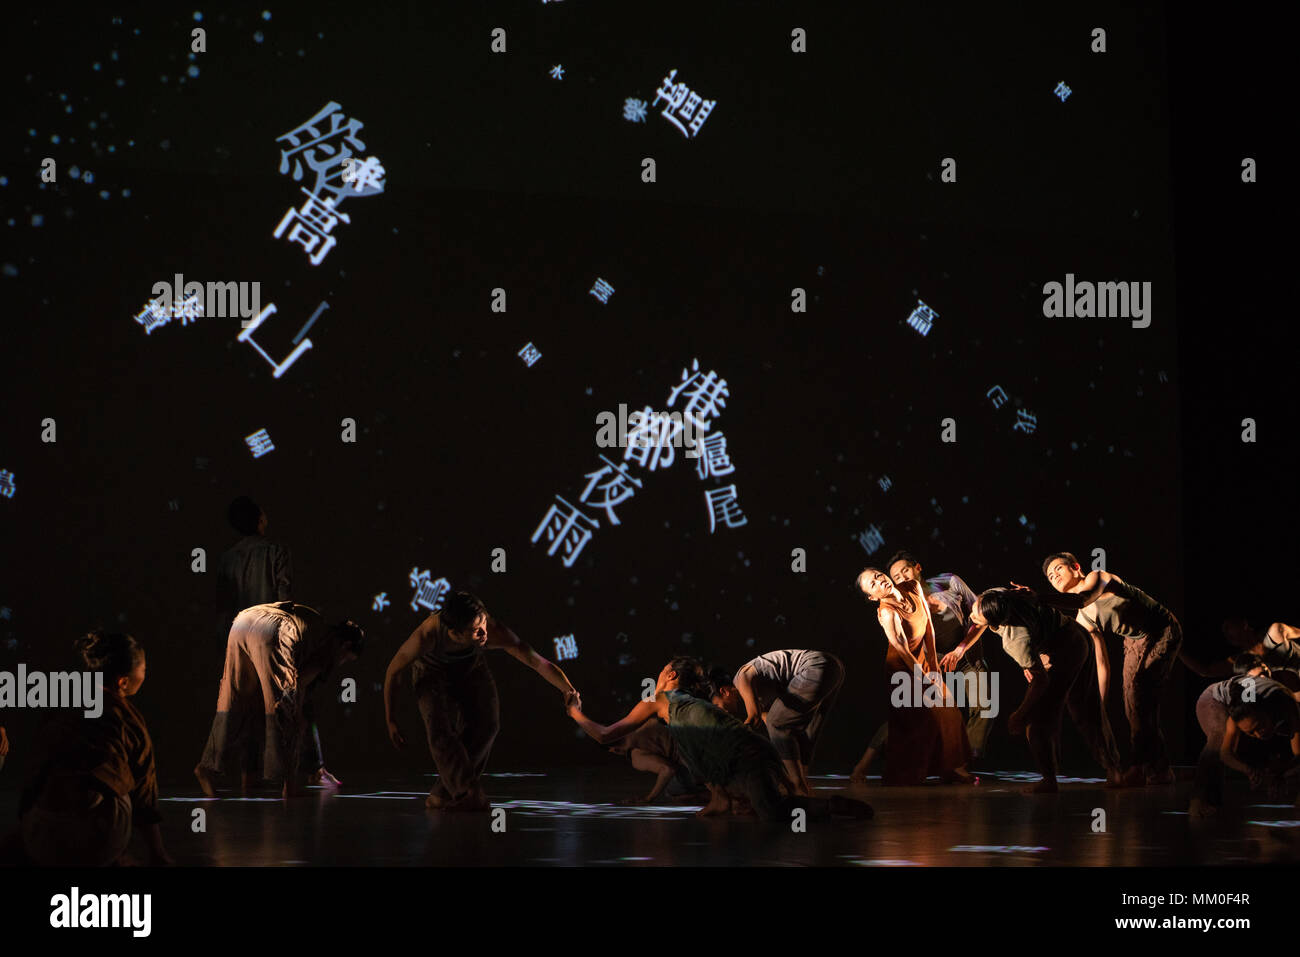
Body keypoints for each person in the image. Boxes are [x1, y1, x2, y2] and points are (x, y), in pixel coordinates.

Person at [566, 657, 872, 821]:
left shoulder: (660, 699)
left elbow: (606, 734)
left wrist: (577, 714)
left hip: (748, 756)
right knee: (753, 806)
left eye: (662, 671)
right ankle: (728, 799)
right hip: (749, 756)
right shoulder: (689, 711)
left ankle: (830, 806)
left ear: (672, 676)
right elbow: (701, 751)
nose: (658, 676)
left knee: (774, 813)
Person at [384, 591, 580, 811]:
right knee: (440, 732)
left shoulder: (492, 631)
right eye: (476, 630)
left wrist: (568, 688)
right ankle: (467, 792)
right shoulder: (427, 636)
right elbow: (393, 671)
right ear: (455, 633)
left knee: (487, 724)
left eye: (484, 622)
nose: (484, 632)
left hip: (470, 667)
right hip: (431, 672)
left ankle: (444, 793)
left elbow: (535, 660)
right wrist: (391, 719)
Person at [15, 632, 170, 866]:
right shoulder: (127, 717)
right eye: (144, 670)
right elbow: (144, 792)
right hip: (101, 839)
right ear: (123, 682)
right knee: (121, 779)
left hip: (41, 835)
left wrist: (24, 832)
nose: (145, 675)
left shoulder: (62, 707)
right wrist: (158, 854)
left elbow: (34, 770)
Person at [215, 497, 337, 789]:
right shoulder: (276, 551)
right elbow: (285, 598)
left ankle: (249, 775)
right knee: (291, 704)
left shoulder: (227, 559)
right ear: (259, 519)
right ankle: (305, 773)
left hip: (239, 637)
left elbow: (223, 607)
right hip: (271, 637)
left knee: (248, 710)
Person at [1038, 556, 1183, 786]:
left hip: (1161, 629)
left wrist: (1037, 598)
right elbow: (1101, 661)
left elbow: (1082, 599)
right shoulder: (1083, 618)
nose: (1054, 576)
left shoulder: (1098, 577)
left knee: (1139, 696)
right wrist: (1102, 701)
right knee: (1132, 704)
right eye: (1050, 577)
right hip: (1134, 641)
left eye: (1058, 569)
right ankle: (1160, 769)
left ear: (1076, 568)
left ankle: (1139, 768)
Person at [195, 602, 364, 799]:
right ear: (345, 645)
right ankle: (289, 785)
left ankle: (206, 768)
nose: (341, 662)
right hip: (273, 628)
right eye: (346, 658)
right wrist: (298, 715)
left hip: (242, 621)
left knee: (233, 700)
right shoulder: (330, 646)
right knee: (284, 707)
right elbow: (299, 685)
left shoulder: (316, 624)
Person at [971, 587, 1123, 792]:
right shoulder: (998, 595)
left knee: (1037, 720)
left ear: (996, 622)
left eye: (976, 615)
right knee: (1081, 708)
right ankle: (1112, 769)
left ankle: (1050, 780)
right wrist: (1029, 664)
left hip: (1067, 650)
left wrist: (1019, 713)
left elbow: (1040, 681)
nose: (971, 614)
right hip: (1071, 633)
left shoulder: (1015, 639)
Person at [854, 568, 974, 785]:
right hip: (901, 668)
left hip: (923, 659)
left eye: (879, 575)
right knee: (917, 722)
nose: (880, 581)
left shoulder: (912, 586)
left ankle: (951, 768)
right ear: (872, 597)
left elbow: (929, 628)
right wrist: (923, 678)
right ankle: (907, 775)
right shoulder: (887, 612)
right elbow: (901, 649)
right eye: (873, 584)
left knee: (949, 711)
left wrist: (935, 668)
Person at [887, 551, 994, 759]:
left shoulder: (949, 581)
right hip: (931, 664)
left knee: (986, 706)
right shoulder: (901, 604)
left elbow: (982, 615)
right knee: (914, 710)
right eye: (897, 577)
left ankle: (965, 761)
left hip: (966, 655)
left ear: (917, 568)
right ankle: (869, 760)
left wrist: (960, 649)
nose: (903, 578)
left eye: (905, 571)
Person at [711, 650, 844, 796]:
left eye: (718, 706)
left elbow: (755, 718)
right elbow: (766, 719)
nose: (722, 712)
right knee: (804, 729)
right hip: (833, 667)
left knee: (778, 723)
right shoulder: (753, 694)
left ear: (724, 692)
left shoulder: (741, 678)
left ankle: (797, 786)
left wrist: (730, 743)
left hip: (814, 667)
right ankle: (802, 783)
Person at [1189, 657, 1300, 817]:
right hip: (1213, 698)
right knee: (1217, 740)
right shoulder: (1242, 710)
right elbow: (1225, 753)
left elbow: (1298, 755)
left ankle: (1213, 802)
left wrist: (1280, 775)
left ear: (1267, 712)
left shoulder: (1287, 706)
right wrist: (1248, 770)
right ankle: (1197, 800)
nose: (1258, 735)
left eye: (1259, 726)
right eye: (1250, 732)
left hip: (1262, 700)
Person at [1182, 619, 1300, 679]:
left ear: (1245, 625)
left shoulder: (1276, 632)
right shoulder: (1243, 662)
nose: (1228, 633)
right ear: (1231, 641)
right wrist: (1177, 648)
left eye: (1230, 627)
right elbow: (1207, 671)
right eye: (1227, 634)